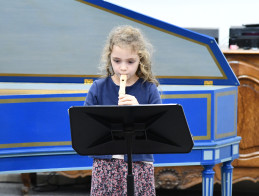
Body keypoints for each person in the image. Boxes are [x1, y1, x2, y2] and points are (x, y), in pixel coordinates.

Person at [84, 25, 161, 195]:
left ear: (140, 59)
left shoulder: (149, 89)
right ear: (109, 58)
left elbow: (159, 130)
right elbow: (85, 128)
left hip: (139, 164)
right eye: (117, 61)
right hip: (106, 165)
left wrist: (138, 111)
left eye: (130, 62)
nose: (123, 68)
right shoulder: (98, 88)